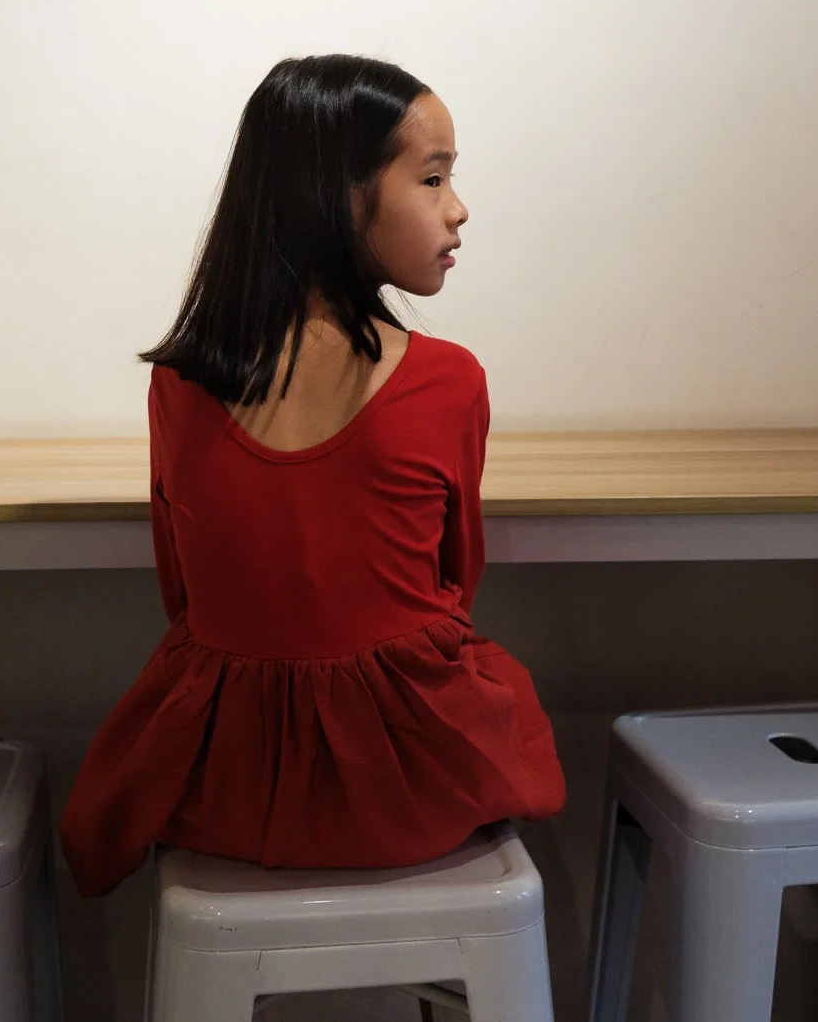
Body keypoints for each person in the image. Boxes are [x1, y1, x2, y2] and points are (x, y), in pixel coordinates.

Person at [59, 54, 565, 897]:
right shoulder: (447, 381)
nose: (458, 207)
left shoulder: (178, 382)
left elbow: (182, 595)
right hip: (407, 793)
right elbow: (454, 590)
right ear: (339, 196)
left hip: (227, 787)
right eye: (433, 178)